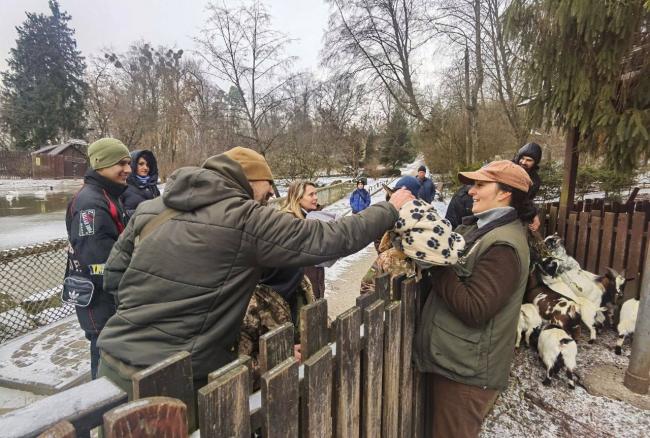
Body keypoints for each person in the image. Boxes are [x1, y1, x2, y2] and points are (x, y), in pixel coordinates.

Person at [96, 146, 413, 403]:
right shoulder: (244, 217)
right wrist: (389, 208)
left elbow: (113, 278)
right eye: (266, 189)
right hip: (175, 382)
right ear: (248, 181)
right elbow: (330, 239)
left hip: (112, 366)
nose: (269, 196)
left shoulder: (151, 209)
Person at [413, 160, 532, 438]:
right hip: (456, 363)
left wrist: (437, 262)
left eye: (480, 185)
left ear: (505, 193)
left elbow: (476, 308)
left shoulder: (504, 244)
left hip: (466, 375)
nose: (470, 192)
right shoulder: (485, 229)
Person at [64, 138, 131, 379]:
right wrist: (129, 289)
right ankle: (101, 408)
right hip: (101, 297)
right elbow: (97, 261)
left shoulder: (107, 195)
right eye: (120, 163)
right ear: (100, 164)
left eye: (128, 163)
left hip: (108, 295)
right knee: (104, 354)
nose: (128, 169)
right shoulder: (91, 204)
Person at [281, 180, 329, 299]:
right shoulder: (288, 222)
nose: (316, 198)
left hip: (316, 279)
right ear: (298, 197)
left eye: (316, 194)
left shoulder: (314, 217)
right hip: (298, 288)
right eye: (311, 194)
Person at [513, 142, 543, 231]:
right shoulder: (507, 168)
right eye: (522, 158)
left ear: (535, 162)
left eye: (529, 160)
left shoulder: (535, 181)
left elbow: (526, 200)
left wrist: (534, 214)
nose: (523, 162)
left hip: (515, 216)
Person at [122, 149, 160, 217]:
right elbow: (121, 215)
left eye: (148, 165)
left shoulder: (152, 186)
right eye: (141, 164)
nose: (145, 168)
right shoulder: (123, 187)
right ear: (132, 165)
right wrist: (144, 212)